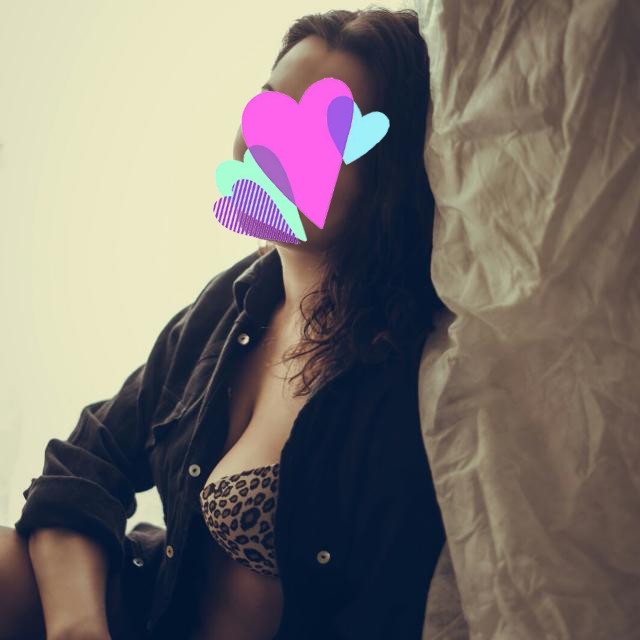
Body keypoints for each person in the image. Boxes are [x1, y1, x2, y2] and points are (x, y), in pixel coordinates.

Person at [0, 7, 448, 640]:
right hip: (153, 608)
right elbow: (88, 458)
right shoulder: (236, 302)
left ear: (386, 175)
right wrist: (78, 626)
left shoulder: (398, 378)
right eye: (270, 108)